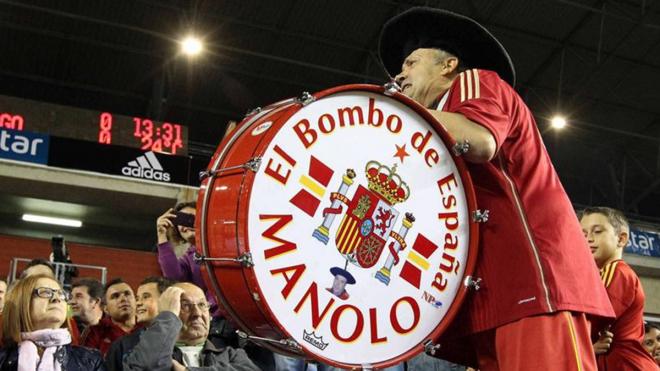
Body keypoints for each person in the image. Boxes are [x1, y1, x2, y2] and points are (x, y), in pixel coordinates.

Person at [378, 7, 614, 370]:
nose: (400, 74)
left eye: (411, 63)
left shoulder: (475, 81)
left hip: (533, 285)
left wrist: (387, 110)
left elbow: (481, 139)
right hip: (491, 298)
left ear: (448, 65)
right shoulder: (429, 132)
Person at [580, 207, 657, 370]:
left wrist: (581, 349)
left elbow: (592, 320)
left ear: (621, 239)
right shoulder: (603, 275)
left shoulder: (616, 271)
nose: (588, 239)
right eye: (583, 234)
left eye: (597, 231)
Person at [121, 282, 258, 370]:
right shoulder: (144, 352)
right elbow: (146, 366)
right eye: (185, 305)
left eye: (202, 305)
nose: (197, 313)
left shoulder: (232, 355)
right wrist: (167, 316)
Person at [0, 274, 105, 370]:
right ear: (22, 303)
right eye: (45, 292)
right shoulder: (2, 360)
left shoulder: (91, 361)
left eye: (61, 294)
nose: (56, 298)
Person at [105, 276, 174, 371]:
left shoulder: (188, 339)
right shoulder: (121, 346)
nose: (138, 303)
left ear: (166, 300)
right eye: (137, 298)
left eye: (145, 297)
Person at [83, 278, 136, 355]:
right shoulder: (95, 333)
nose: (123, 299)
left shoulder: (149, 329)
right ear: (106, 309)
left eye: (127, 294)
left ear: (136, 300)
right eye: (115, 296)